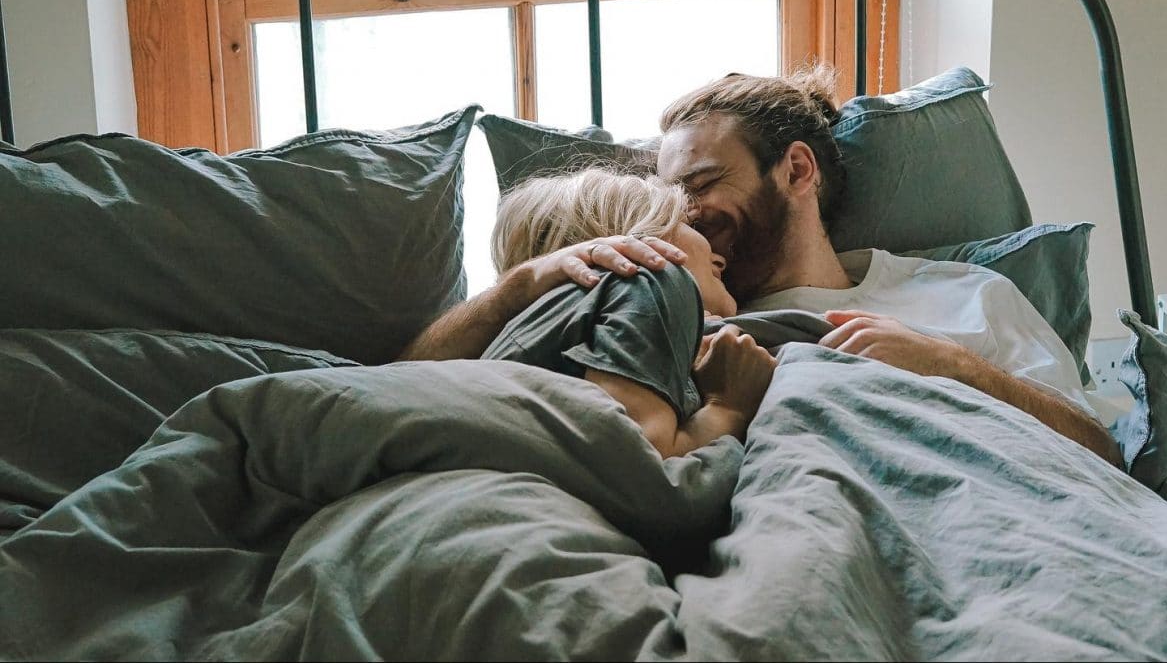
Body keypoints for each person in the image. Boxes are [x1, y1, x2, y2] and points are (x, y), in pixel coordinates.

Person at [401, 69, 1121, 467]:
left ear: (796, 170)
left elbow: (1104, 453)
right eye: (667, 196)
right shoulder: (660, 301)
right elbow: (414, 383)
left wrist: (955, 368)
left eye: (702, 184)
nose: (681, 212)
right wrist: (523, 285)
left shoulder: (964, 298)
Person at [444, 167, 777, 459]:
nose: (720, 257)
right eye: (689, 224)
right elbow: (648, 469)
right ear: (637, 235)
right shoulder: (646, 283)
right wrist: (727, 409)